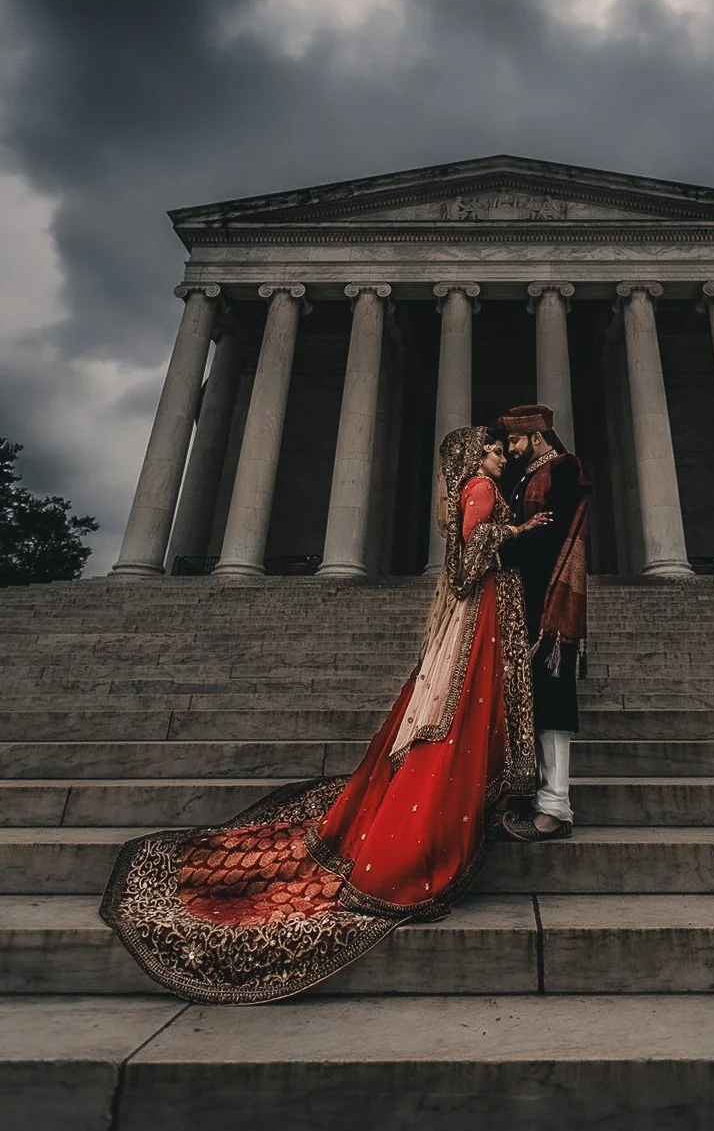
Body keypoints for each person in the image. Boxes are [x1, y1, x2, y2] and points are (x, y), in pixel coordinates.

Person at [100, 425, 550, 1005]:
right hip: (482, 608)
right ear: (474, 456)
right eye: (492, 448)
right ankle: (408, 851)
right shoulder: (479, 489)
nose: (499, 455)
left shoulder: (480, 488)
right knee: (449, 713)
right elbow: (468, 559)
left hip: (488, 609)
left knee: (449, 712)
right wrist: (518, 530)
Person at [497, 404, 592, 842]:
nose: (510, 449)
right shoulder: (525, 478)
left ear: (536, 436)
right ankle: (532, 794)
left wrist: (498, 549)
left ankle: (555, 807)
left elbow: (551, 532)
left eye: (515, 440)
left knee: (553, 700)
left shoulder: (563, 469)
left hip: (551, 601)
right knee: (529, 699)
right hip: (524, 602)